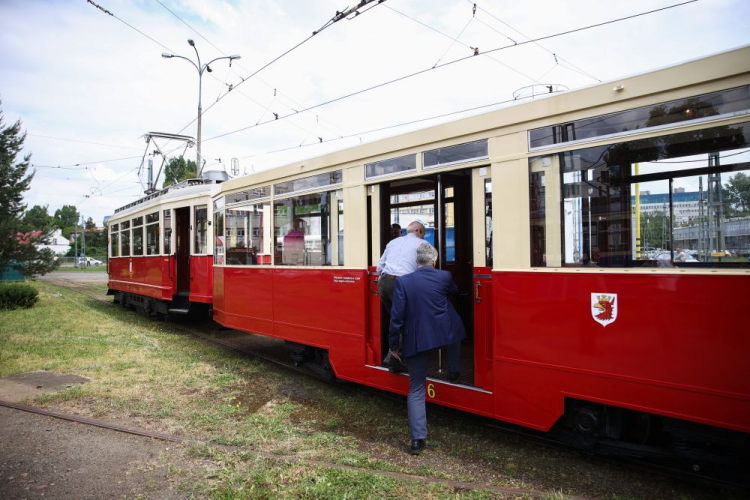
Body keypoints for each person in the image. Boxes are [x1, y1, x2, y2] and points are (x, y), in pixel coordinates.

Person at [388, 243, 465, 456]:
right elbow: (455, 292)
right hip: (443, 333)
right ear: (434, 261)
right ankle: (455, 371)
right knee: (455, 330)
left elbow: (396, 318)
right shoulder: (445, 276)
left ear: (417, 262)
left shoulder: (403, 282)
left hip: (418, 339)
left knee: (417, 388)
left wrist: (394, 345)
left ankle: (417, 440)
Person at [377, 220, 426, 369]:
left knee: (395, 319)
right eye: (423, 233)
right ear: (418, 231)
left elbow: (380, 266)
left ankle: (394, 356)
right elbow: (425, 271)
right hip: (402, 284)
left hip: (384, 283)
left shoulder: (393, 243)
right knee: (407, 321)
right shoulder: (423, 245)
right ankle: (396, 356)